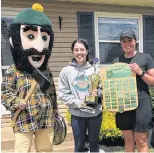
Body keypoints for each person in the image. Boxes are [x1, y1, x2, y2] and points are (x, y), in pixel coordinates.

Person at [1, 3, 58, 152]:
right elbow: (4, 93)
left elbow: (52, 94)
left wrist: (56, 114)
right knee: (22, 150)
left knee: (45, 150)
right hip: (24, 120)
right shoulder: (13, 71)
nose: (39, 48)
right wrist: (17, 102)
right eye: (31, 36)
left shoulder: (46, 71)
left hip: (46, 119)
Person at [113, 29, 154, 152]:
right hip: (124, 104)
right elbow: (113, 86)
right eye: (124, 41)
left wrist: (140, 72)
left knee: (141, 140)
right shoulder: (116, 62)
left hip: (142, 104)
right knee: (128, 140)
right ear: (121, 43)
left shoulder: (146, 58)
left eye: (130, 40)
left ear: (135, 41)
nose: (127, 43)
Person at [58, 38, 102, 152]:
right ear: (73, 52)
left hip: (95, 114)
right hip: (78, 116)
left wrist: (98, 93)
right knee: (79, 146)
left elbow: (103, 89)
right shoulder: (66, 71)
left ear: (86, 51)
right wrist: (79, 103)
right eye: (76, 50)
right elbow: (63, 93)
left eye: (82, 49)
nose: (79, 52)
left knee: (94, 145)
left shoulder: (95, 70)